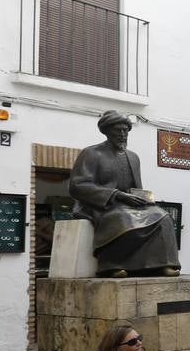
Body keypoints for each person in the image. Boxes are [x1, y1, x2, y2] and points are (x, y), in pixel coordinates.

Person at [67, 110, 180, 278]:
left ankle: (162, 264)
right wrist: (116, 195)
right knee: (122, 218)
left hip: (128, 204)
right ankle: (111, 265)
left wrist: (144, 199)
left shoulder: (133, 157)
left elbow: (137, 188)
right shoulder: (91, 153)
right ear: (106, 131)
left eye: (125, 130)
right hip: (101, 205)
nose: (122, 134)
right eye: (117, 130)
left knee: (163, 217)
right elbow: (77, 186)